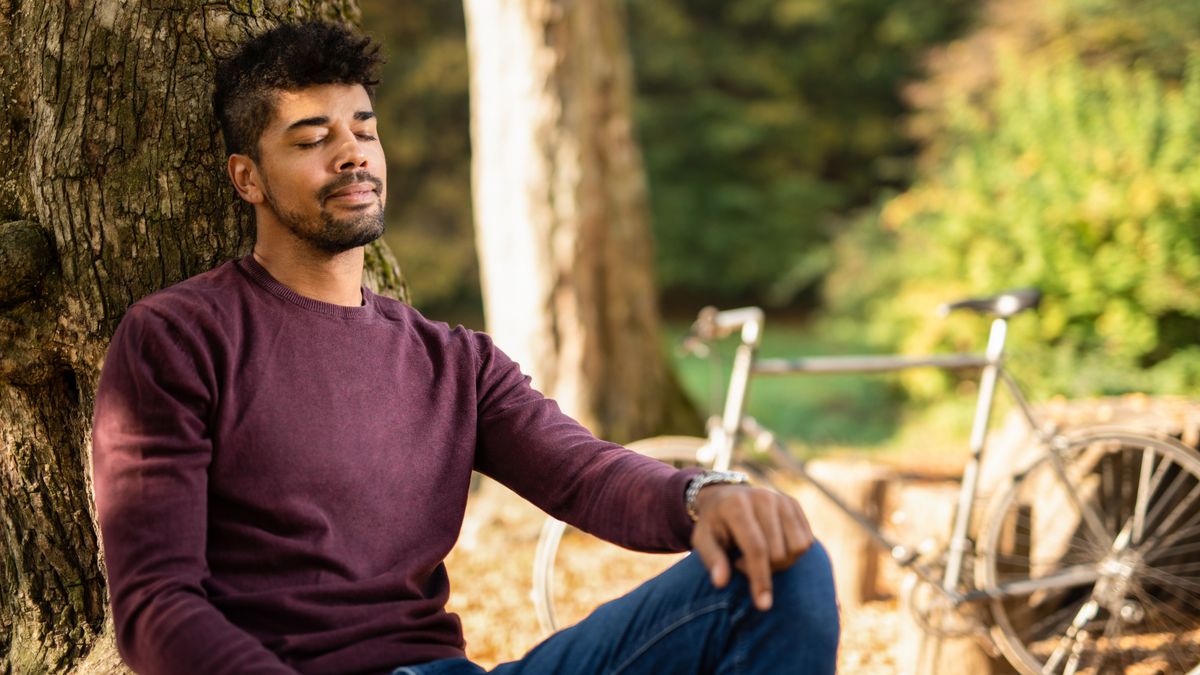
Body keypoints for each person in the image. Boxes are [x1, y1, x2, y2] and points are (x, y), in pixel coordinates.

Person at [91, 21, 839, 675]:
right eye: (314, 139)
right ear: (247, 178)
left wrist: (706, 493)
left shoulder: (453, 361)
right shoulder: (178, 337)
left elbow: (588, 475)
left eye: (364, 129)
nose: (352, 154)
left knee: (783, 565)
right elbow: (157, 604)